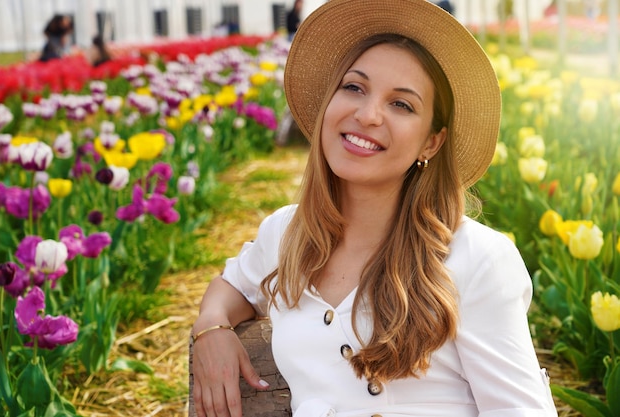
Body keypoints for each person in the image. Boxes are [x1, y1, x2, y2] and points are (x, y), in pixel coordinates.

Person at [191, 0, 559, 416]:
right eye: (354, 87)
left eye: (401, 104)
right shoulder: (287, 235)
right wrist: (212, 327)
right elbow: (233, 285)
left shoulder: (476, 261)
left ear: (431, 142)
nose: (367, 115)